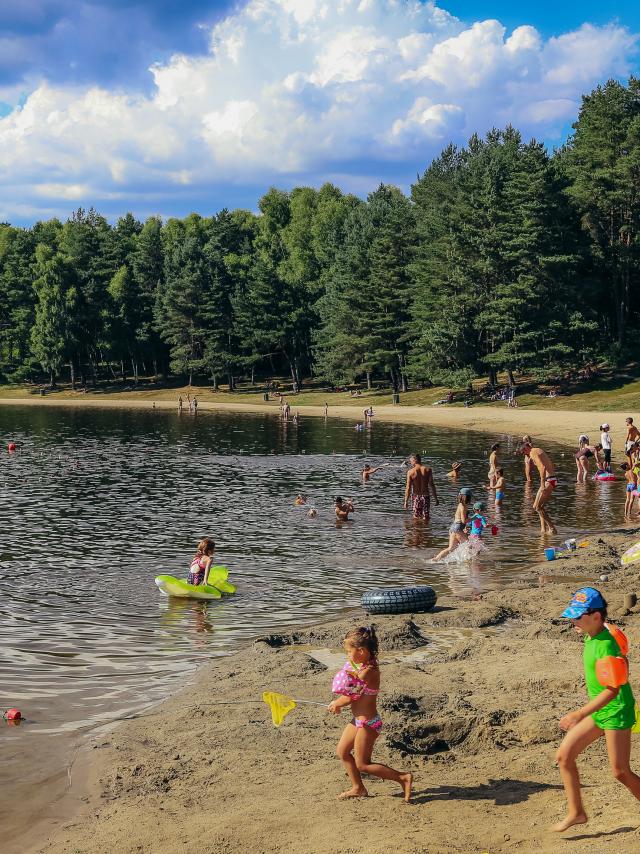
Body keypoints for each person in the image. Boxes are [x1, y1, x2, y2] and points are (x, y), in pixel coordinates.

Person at [553, 588, 640, 833]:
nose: (573, 621)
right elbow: (624, 651)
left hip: (616, 711)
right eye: (573, 615)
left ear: (596, 616)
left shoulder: (605, 646)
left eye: (578, 617)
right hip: (601, 711)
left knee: (620, 771)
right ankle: (577, 812)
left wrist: (579, 714)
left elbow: (613, 690)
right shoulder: (595, 633)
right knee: (564, 756)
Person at [330, 626, 412, 801]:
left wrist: (337, 703)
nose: (347, 655)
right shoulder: (363, 666)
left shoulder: (369, 672)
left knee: (363, 764)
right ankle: (358, 788)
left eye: (348, 651)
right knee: (342, 751)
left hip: (369, 723)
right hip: (357, 721)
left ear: (361, 651)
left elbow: (352, 695)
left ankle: (403, 778)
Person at [517, 440, 557, 533]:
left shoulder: (532, 452)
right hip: (552, 479)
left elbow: (542, 467)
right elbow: (550, 464)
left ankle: (552, 528)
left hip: (548, 480)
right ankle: (543, 529)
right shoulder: (538, 450)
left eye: (523, 452)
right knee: (540, 506)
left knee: (536, 507)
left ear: (526, 448)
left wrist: (542, 484)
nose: (524, 455)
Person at [432, 488, 471, 561]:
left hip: (453, 528)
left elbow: (461, 519)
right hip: (458, 528)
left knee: (451, 548)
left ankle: (436, 559)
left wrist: (465, 528)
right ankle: (467, 561)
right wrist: (474, 517)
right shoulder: (463, 507)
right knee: (468, 545)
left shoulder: (460, 505)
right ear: (468, 497)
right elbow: (463, 520)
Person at [403, 453, 439, 520]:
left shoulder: (410, 472)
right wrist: (436, 499)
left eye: (411, 461)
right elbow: (432, 485)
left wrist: (406, 501)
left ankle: (416, 529)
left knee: (416, 517)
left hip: (416, 496)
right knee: (426, 517)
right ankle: (425, 529)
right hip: (426, 496)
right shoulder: (428, 470)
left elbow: (408, 488)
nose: (411, 463)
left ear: (415, 460)